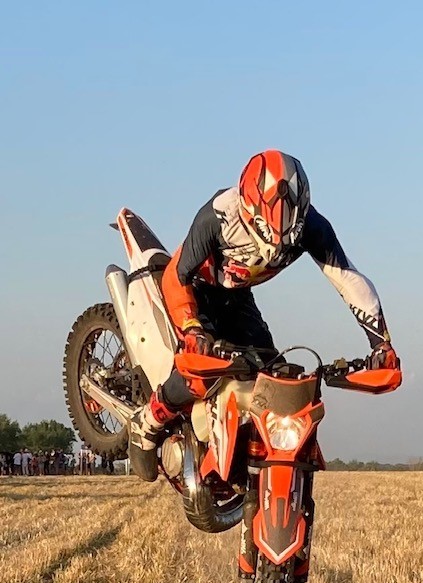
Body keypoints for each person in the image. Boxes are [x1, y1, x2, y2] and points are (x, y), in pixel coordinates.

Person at [128, 150, 399, 481]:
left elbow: (348, 278)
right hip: (195, 291)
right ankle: (148, 423)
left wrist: (381, 344)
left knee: (272, 376)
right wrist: (192, 330)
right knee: (198, 373)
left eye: (289, 230)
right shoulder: (217, 216)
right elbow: (176, 277)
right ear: (247, 205)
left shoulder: (313, 227)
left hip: (238, 295)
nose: (277, 243)